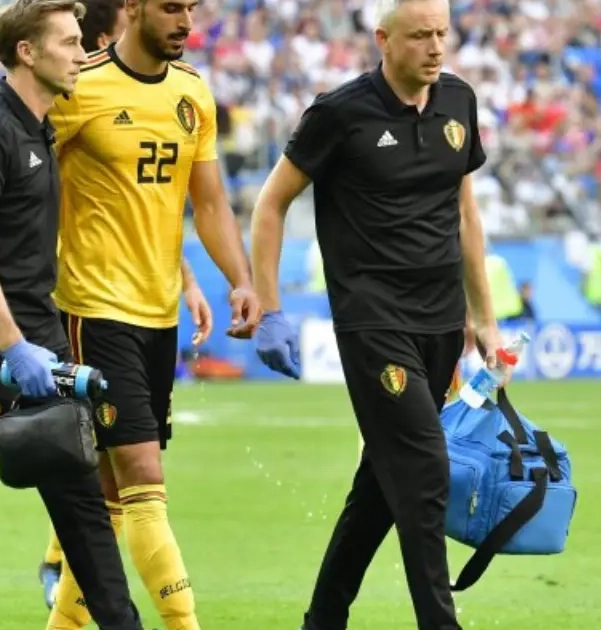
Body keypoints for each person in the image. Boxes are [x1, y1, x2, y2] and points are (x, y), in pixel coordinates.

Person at [249, 0, 503, 628]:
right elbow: (271, 203)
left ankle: (322, 619)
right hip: (373, 323)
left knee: (380, 488)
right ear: (383, 39)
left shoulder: (459, 102)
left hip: (441, 325)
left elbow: (466, 214)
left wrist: (485, 318)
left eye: (443, 34)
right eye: (420, 36)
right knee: (425, 467)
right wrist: (270, 308)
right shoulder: (339, 113)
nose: (436, 47)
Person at [0, 2, 143, 629]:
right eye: (68, 42)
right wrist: (13, 346)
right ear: (27, 52)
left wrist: (39, 341)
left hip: (39, 342)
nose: (82, 54)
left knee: (82, 506)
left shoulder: (41, 127)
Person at [40, 0, 263, 628]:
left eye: (190, 8)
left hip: (158, 318)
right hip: (94, 311)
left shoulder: (193, 94)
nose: (186, 21)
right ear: (132, 8)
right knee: (144, 479)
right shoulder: (79, 87)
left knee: (113, 497)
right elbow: (29, 185)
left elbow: (208, 204)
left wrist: (239, 279)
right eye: (171, 7)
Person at [37, 0, 128, 609]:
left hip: (134, 294)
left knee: (115, 453)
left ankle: (64, 570)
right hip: (79, 294)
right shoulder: (75, 102)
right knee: (96, 444)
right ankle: (61, 566)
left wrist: (186, 278)